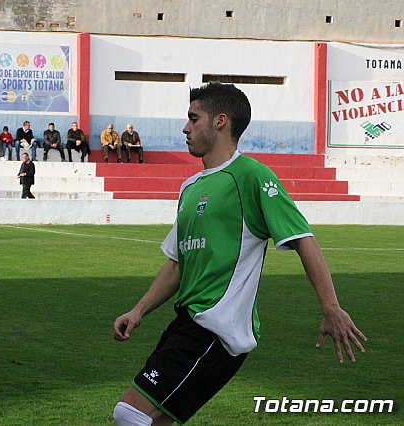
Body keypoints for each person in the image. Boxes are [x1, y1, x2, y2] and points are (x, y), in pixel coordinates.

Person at [112, 82, 367, 426]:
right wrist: (139, 310)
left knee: (129, 414)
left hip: (217, 328)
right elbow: (176, 263)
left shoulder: (250, 175)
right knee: (157, 420)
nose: (185, 128)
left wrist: (330, 306)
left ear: (220, 122)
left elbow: (303, 238)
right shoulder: (191, 187)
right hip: (186, 324)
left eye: (193, 118)